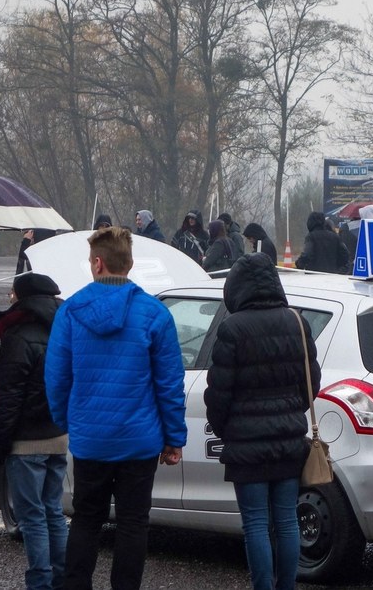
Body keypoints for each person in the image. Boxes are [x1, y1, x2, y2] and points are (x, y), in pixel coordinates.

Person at [44, 226, 186, 590]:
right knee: (133, 523)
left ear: (97, 262)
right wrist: (173, 437)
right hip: (139, 440)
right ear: (130, 263)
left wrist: (66, 420)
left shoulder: (71, 311)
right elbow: (169, 384)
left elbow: (57, 377)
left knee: (87, 520)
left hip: (91, 437)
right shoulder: (155, 314)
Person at [204, 253, 320, 590]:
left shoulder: (232, 328)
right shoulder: (297, 322)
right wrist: (289, 412)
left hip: (245, 442)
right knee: (285, 520)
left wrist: (227, 430)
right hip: (288, 439)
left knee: (255, 523)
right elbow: (311, 379)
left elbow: (219, 392)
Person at [0, 272, 68, 590]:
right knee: (53, 511)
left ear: (24, 298)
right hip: (58, 434)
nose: (8, 298)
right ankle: (63, 578)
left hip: (26, 440)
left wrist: (0, 443)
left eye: (12, 293)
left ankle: (39, 581)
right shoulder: (63, 329)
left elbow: (9, 397)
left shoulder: (18, 336)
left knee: (32, 516)